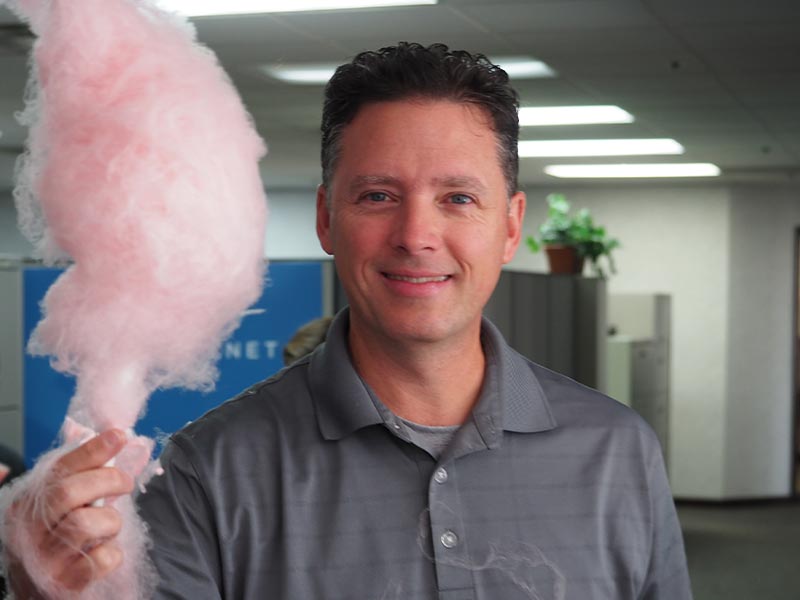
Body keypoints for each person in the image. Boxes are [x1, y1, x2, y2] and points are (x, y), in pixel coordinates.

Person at [6, 42, 692, 599]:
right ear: (326, 219)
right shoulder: (209, 473)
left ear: (510, 228)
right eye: (377, 195)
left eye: (457, 197)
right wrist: (45, 589)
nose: (417, 234)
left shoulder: (618, 452)